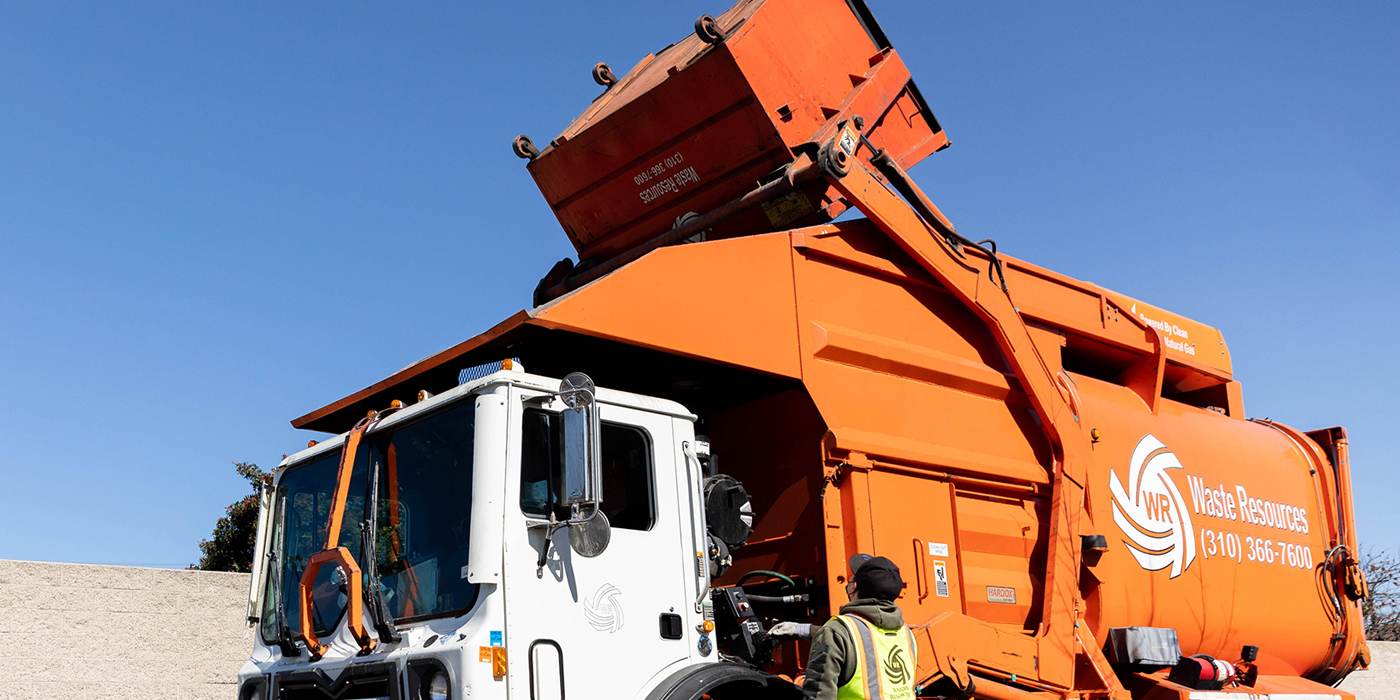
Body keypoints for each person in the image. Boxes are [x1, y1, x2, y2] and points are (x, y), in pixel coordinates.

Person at [770, 554, 917, 700]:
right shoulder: (906, 633)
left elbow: (819, 696)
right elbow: (863, 644)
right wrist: (802, 629)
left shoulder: (837, 630)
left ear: (853, 587)